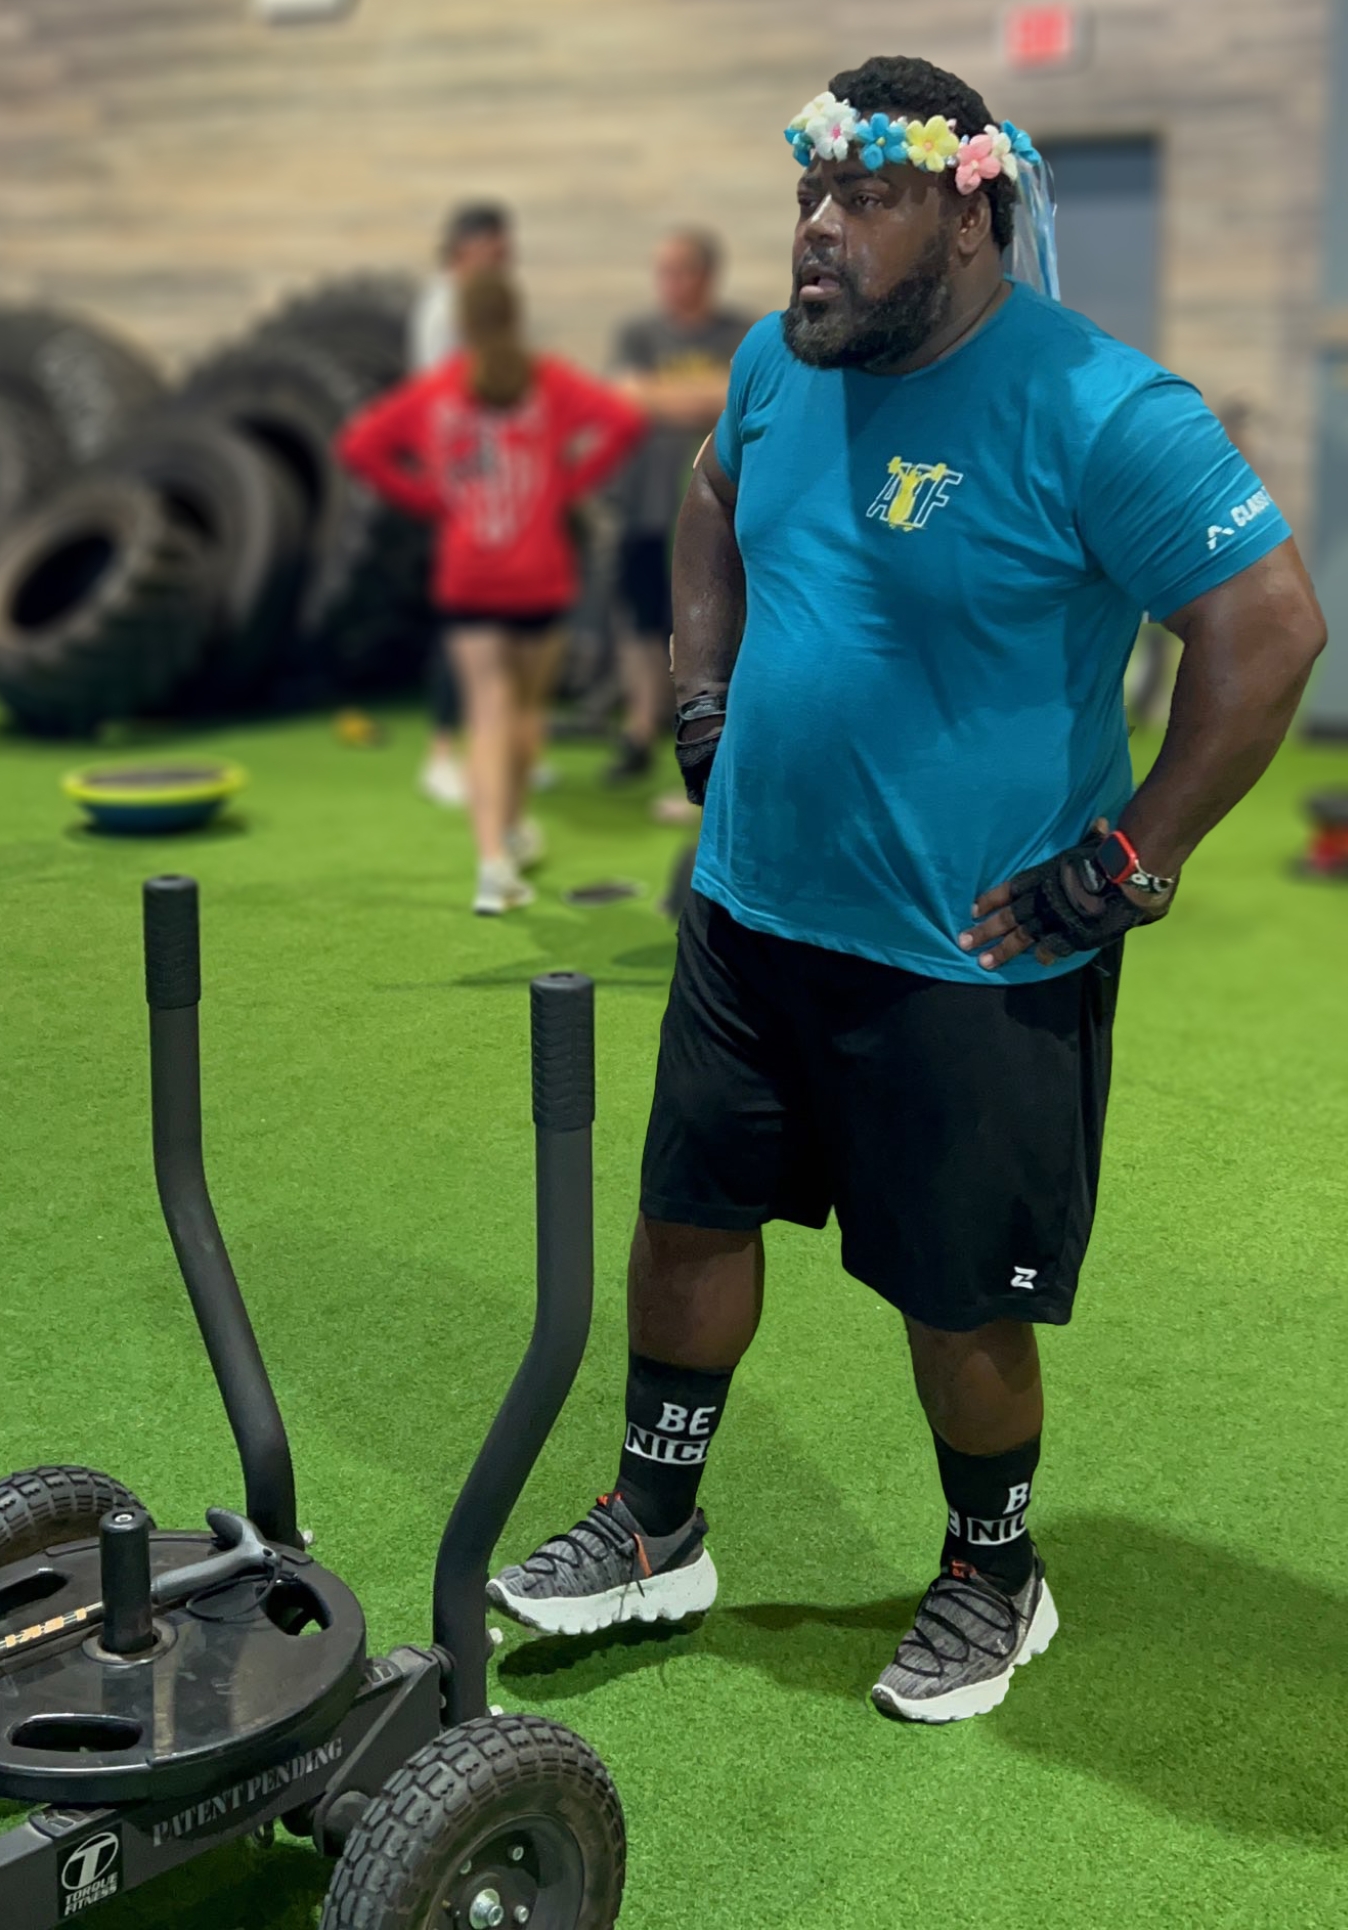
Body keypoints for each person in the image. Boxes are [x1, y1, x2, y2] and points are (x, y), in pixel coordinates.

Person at [487, 55, 1326, 1721]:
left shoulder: (1101, 407)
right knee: (687, 1225)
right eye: (806, 194)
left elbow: (1269, 624)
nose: (813, 232)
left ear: (969, 208)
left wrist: (1134, 853)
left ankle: (993, 1578)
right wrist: (700, 686)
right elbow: (715, 498)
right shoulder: (778, 367)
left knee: (956, 1304)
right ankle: (657, 1523)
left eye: (859, 198)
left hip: (973, 951)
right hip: (750, 908)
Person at [337, 269, 647, 914]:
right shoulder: (550, 380)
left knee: (487, 713)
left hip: (469, 575)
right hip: (538, 574)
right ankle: (508, 829)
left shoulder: (437, 390)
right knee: (526, 713)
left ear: (462, 328)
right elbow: (622, 421)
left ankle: (492, 864)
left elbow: (359, 446)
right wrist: (567, 483)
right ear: (516, 317)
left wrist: (428, 498)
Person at [601, 230, 752, 792]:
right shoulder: (639, 333)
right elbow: (622, 395)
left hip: (719, 512)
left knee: (717, 622)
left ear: (706, 274)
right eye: (662, 271)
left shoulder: (739, 332)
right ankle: (639, 730)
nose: (670, 283)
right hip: (644, 502)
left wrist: (663, 395)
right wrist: (700, 395)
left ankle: (713, 738)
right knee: (642, 621)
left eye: (680, 270)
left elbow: (740, 394)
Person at [409, 204, 516, 808]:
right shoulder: (447, 307)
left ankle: (495, 747)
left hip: (496, 483)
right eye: (497, 250)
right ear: (466, 248)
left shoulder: (485, 307)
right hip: (464, 484)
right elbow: (449, 399)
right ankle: (442, 753)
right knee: (464, 617)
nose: (506, 261)